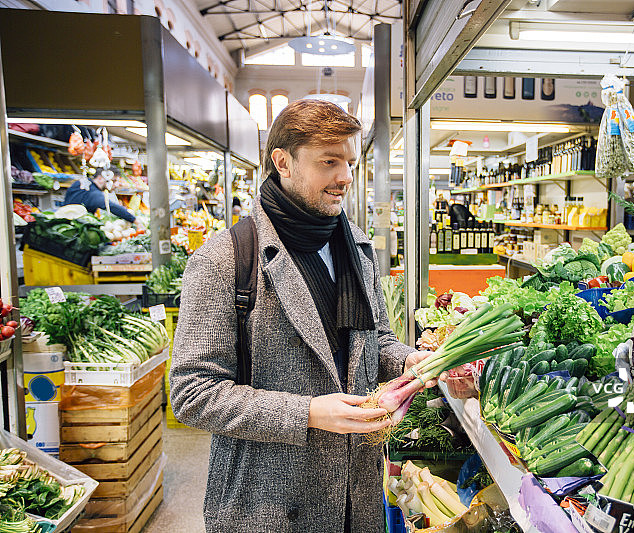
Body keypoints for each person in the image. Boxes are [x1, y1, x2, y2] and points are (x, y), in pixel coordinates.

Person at [169, 99, 443, 533]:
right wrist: (308, 413)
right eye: (329, 162)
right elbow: (191, 392)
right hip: (269, 504)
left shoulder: (355, 246)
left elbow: (378, 341)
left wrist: (409, 361)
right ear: (283, 162)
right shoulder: (226, 259)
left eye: (350, 162)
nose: (345, 177)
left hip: (358, 498)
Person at [63, 171, 142, 228]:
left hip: (67, 224)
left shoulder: (83, 184)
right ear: (100, 178)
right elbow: (111, 206)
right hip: (75, 228)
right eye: (113, 181)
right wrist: (134, 220)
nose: (115, 185)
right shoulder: (94, 193)